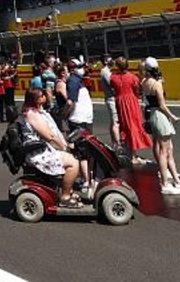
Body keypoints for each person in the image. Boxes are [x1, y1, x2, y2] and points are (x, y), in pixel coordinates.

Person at [19, 88, 83, 208]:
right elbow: (49, 136)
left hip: (45, 149)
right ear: (37, 100)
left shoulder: (37, 111)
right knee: (73, 163)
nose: (46, 96)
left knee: (75, 157)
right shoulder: (32, 114)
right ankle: (65, 197)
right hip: (39, 153)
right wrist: (64, 147)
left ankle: (67, 190)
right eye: (43, 95)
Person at [141, 57, 180, 195]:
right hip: (159, 115)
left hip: (152, 113)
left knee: (168, 149)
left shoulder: (144, 82)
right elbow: (162, 105)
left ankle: (176, 180)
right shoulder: (157, 84)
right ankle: (165, 183)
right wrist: (172, 116)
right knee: (165, 151)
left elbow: (147, 101)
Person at [109, 56, 151, 163]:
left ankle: (131, 152)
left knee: (125, 126)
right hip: (131, 102)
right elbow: (137, 91)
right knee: (133, 126)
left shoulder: (113, 77)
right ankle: (133, 155)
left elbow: (113, 88)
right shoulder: (133, 78)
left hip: (120, 102)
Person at [64, 58, 94, 194]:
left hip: (83, 119)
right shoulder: (73, 81)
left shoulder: (76, 80)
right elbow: (71, 102)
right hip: (79, 120)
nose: (83, 69)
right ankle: (87, 180)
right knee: (83, 152)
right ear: (72, 69)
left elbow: (71, 102)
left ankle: (87, 179)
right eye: (80, 67)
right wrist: (66, 114)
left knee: (85, 151)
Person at [99, 56, 120, 147]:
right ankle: (118, 144)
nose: (113, 61)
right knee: (116, 122)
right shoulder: (106, 72)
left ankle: (114, 143)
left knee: (113, 122)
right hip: (111, 98)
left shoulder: (106, 71)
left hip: (110, 98)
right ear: (105, 61)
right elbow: (112, 85)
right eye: (110, 60)